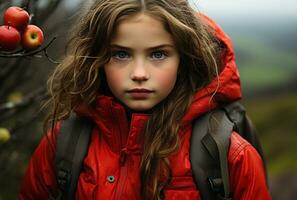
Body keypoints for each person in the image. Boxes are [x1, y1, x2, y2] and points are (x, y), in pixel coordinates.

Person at [19, 0, 271, 199]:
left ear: (183, 60)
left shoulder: (229, 155)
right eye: (120, 54)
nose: (139, 74)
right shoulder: (66, 144)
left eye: (158, 54)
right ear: (97, 59)